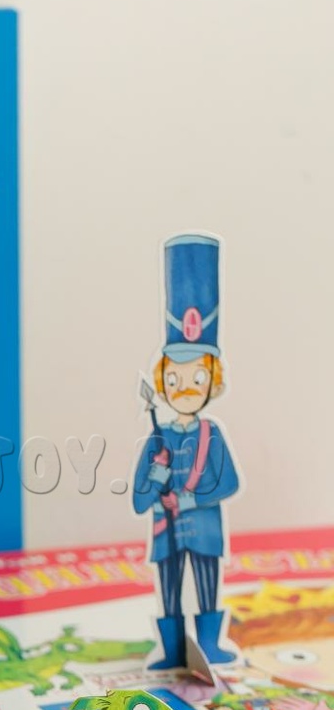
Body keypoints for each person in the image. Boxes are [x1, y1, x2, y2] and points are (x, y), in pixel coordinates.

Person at [133, 235, 240, 669]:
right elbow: (139, 498)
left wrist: (192, 500)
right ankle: (174, 650)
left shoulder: (213, 434)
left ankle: (210, 646)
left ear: (214, 381)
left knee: (208, 584)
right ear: (162, 383)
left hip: (205, 531)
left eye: (196, 378)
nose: (185, 389)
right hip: (167, 534)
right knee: (170, 588)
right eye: (175, 379)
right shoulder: (156, 440)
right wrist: (156, 479)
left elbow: (229, 482)